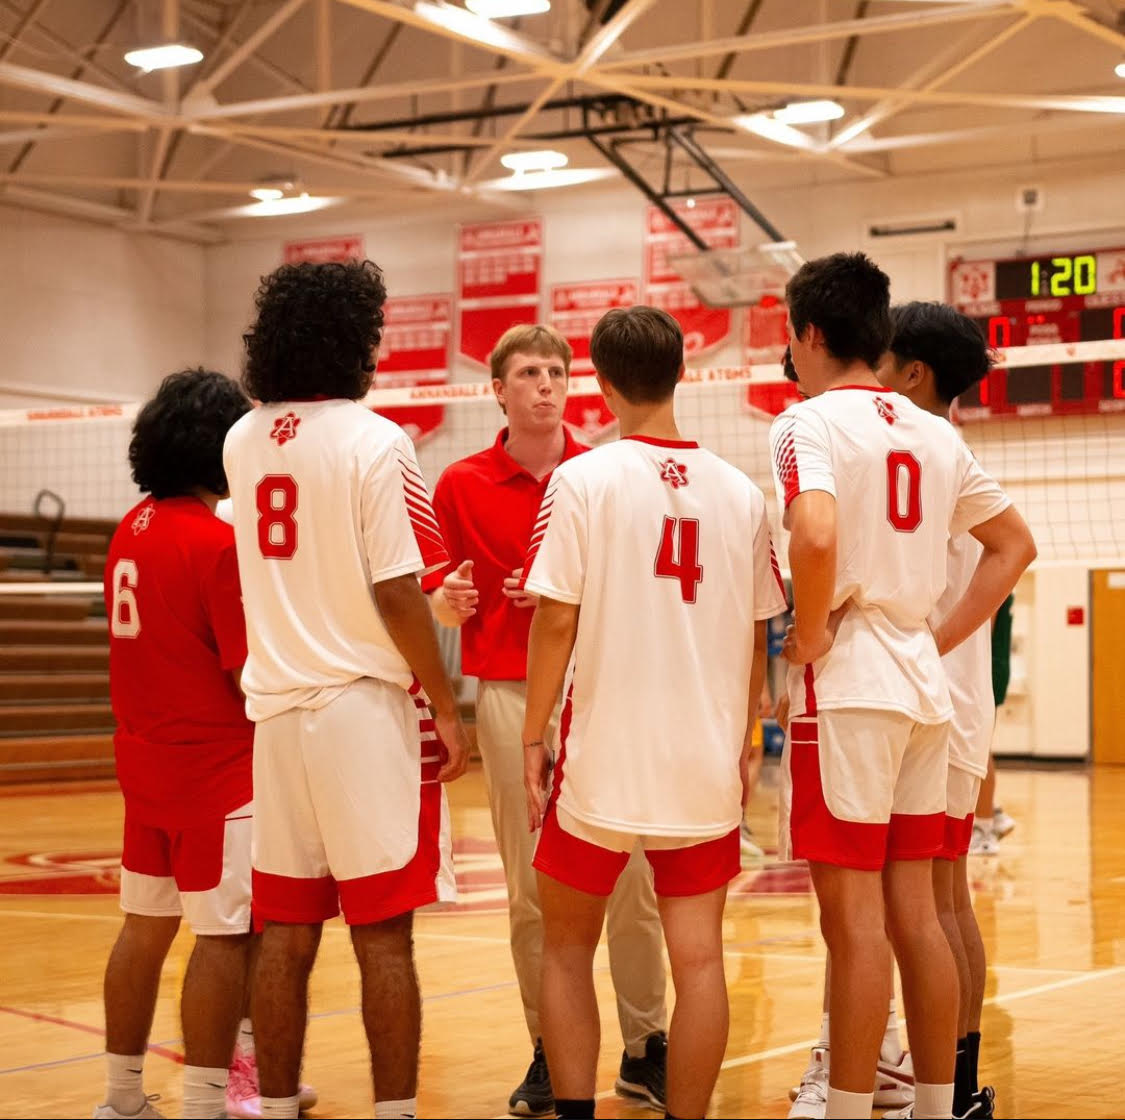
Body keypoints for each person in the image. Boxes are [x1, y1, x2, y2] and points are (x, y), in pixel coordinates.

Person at [770, 254, 1036, 1120]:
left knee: (853, 927)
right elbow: (1013, 546)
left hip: (848, 688)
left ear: (811, 334)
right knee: (917, 915)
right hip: (924, 688)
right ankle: (934, 1106)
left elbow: (812, 530)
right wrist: (935, 634)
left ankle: (845, 1106)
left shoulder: (806, 422)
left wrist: (808, 633)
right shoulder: (933, 432)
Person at [522, 306, 789, 1120]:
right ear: (681, 374)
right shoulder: (742, 493)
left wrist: (533, 733)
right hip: (701, 757)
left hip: (602, 753)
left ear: (597, 386)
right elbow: (757, 637)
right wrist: (744, 739)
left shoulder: (581, 479)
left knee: (566, 948)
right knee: (700, 961)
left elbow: (556, 618)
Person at [223, 259, 471, 1120]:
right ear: (354, 340)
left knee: (285, 934)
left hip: (277, 718)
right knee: (383, 937)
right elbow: (400, 590)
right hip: (361, 711)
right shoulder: (376, 439)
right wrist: (445, 702)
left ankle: (280, 1104)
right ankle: (394, 1113)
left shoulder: (241, 439)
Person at [425, 323, 669, 1116]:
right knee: (531, 885)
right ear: (496, 389)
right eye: (529, 372)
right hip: (505, 689)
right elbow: (434, 586)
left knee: (630, 876)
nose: (546, 384)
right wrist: (447, 602)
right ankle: (544, 1047)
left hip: (599, 690)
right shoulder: (459, 481)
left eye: (558, 371)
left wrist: (571, 596)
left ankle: (645, 1046)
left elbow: (638, 583)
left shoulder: (604, 470)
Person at [97, 369, 255, 1120]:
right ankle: (206, 1102)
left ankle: (121, 1098)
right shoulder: (218, 543)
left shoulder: (130, 528)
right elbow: (245, 672)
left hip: (145, 764)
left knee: (145, 927)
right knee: (225, 939)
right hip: (217, 771)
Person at [876, 302, 1009, 1119]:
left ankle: (950, 1086)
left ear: (914, 372)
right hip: (949, 706)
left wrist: (938, 642)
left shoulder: (937, 454)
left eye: (885, 359)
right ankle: (955, 1084)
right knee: (945, 897)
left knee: (936, 901)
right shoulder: (933, 452)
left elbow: (1013, 551)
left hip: (940, 704)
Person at [970, 596, 1016, 856]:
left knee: (979, 747)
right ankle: (993, 813)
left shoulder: (995, 568)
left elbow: (983, 627)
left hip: (985, 669)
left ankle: (984, 831)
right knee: (976, 745)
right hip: (987, 667)